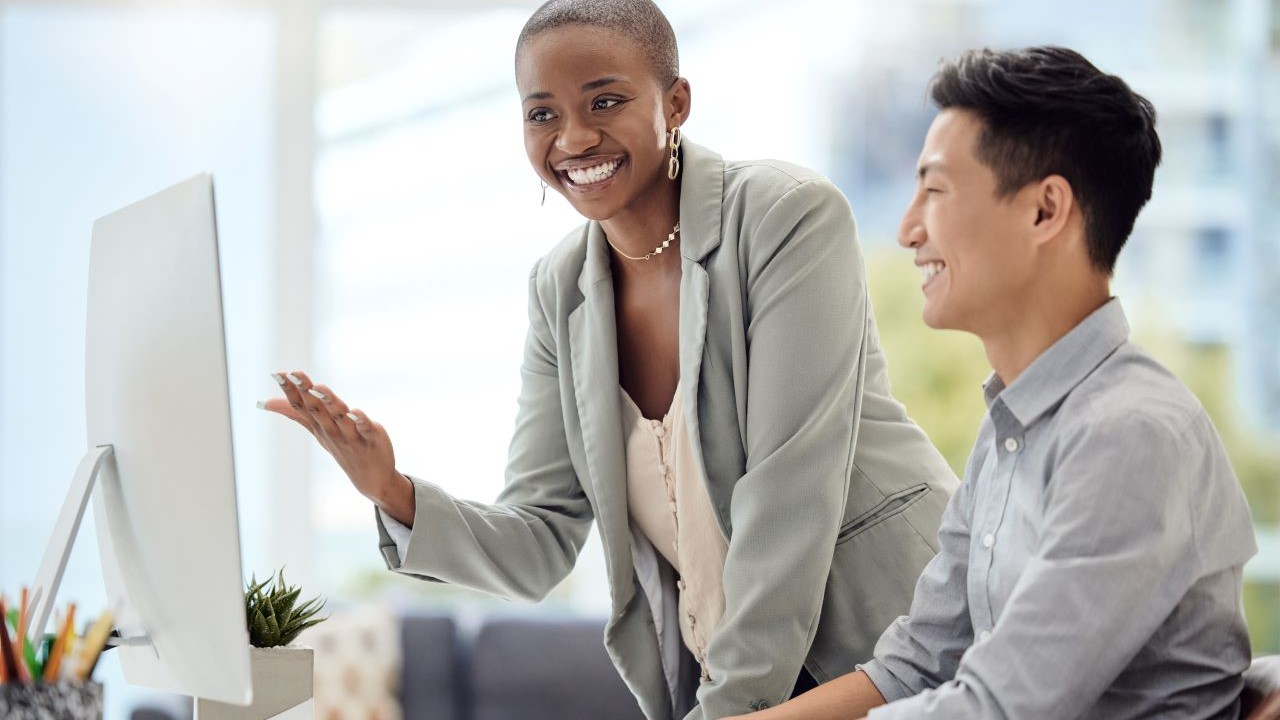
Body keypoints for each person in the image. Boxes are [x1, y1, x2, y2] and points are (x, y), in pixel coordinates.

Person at [261, 2, 957, 718]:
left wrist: (728, 711)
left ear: (675, 103)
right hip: (745, 689)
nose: (574, 136)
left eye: (606, 100)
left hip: (901, 647)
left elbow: (790, 500)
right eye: (542, 114)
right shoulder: (558, 290)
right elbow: (540, 540)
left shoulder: (786, 217)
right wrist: (392, 491)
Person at [727, 46, 1259, 720]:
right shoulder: (1017, 425)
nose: (908, 228)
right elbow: (917, 664)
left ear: (1045, 211)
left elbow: (1000, 708)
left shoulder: (1130, 434)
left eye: (936, 189)